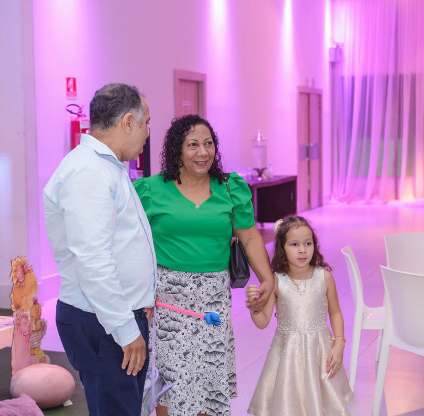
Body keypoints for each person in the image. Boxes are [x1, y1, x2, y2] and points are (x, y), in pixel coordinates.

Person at [133, 114, 275, 416]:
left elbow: (249, 236)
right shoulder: (150, 190)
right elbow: (133, 246)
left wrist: (268, 279)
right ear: (177, 150)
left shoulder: (230, 188)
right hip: (168, 305)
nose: (203, 152)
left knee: (210, 385)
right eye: (193, 145)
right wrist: (139, 294)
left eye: (208, 144)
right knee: (170, 389)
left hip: (213, 303)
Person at [43, 83, 156, 416]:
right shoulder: (88, 171)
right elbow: (93, 260)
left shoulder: (107, 166)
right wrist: (125, 328)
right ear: (128, 123)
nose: (148, 134)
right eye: (147, 123)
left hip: (114, 314)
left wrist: (141, 300)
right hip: (103, 321)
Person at [245, 216, 354, 415]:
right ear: (282, 248)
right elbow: (262, 322)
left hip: (320, 352)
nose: (302, 250)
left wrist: (339, 344)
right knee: (288, 401)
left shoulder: (324, 277)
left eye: (308, 243)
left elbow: (336, 312)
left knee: (322, 400)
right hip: (287, 354)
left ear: (314, 246)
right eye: (294, 244)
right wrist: (255, 307)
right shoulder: (277, 281)